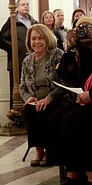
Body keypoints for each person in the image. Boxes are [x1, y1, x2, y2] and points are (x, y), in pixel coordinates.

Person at [46, 16, 92, 184]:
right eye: (81, 28)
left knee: (72, 121)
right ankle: (69, 169)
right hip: (82, 97)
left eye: (88, 27)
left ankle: (83, 174)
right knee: (54, 118)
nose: (84, 31)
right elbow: (67, 75)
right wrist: (70, 48)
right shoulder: (76, 50)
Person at [19, 24, 63, 167]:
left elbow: (64, 84)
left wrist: (48, 99)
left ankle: (49, 150)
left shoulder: (57, 55)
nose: (37, 42)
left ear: (47, 39)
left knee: (47, 112)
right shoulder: (27, 61)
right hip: (35, 99)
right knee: (28, 110)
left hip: (55, 98)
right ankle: (38, 150)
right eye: (33, 39)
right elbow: (22, 86)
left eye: (40, 38)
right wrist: (28, 98)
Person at [0, 0, 38, 109]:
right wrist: (14, 49)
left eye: (27, 4)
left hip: (34, 61)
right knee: (17, 90)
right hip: (16, 62)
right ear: (17, 7)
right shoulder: (12, 21)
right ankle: (16, 115)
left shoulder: (34, 22)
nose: (26, 6)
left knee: (33, 89)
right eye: (23, 4)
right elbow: (0, 39)